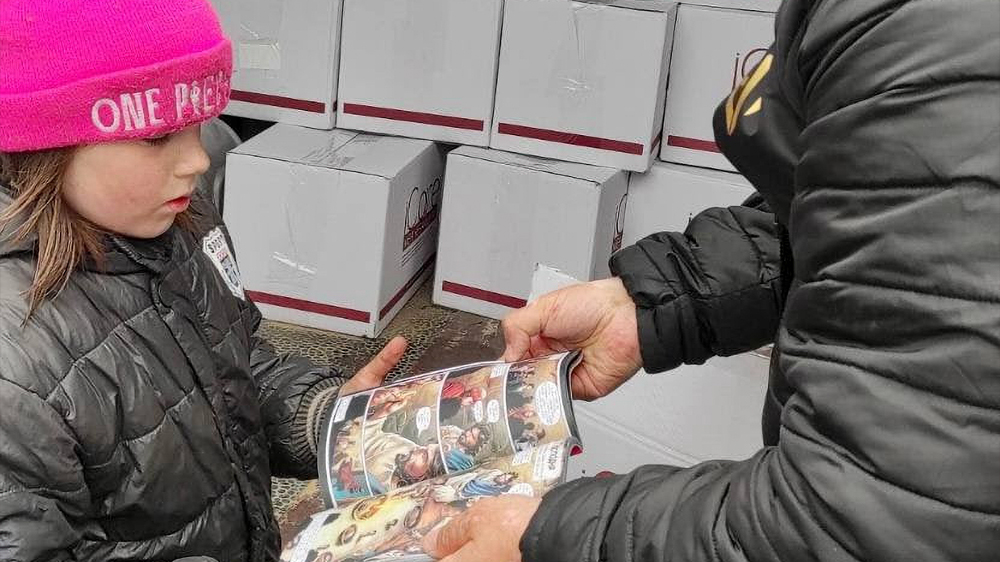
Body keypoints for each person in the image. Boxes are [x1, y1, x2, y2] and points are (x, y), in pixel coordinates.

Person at [424, 0, 1000, 561]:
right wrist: (651, 303)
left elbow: (871, 519)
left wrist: (552, 536)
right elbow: (868, 222)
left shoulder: (924, 28)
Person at [0, 2, 408, 561]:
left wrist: (326, 420)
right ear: (45, 141)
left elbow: (229, 365)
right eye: (157, 136)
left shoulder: (184, 223)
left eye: (199, 125)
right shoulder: (14, 360)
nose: (196, 159)